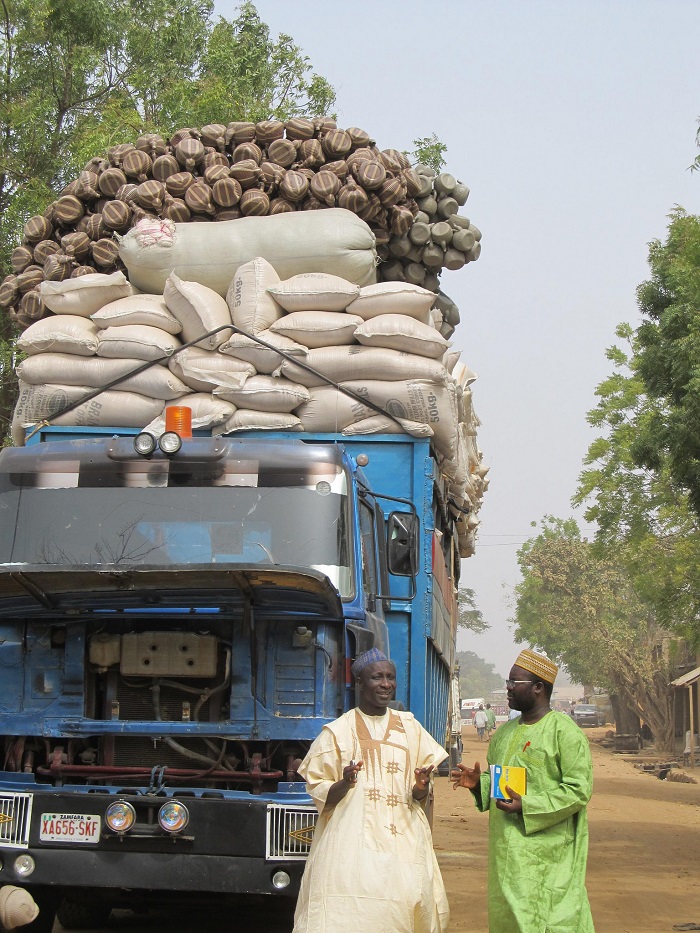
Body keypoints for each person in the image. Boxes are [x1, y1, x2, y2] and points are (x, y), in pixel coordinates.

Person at [293, 648, 450, 933]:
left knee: (402, 907)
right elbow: (319, 789)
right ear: (361, 683)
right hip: (349, 847)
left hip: (402, 842)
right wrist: (344, 782)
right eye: (377, 677)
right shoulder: (337, 732)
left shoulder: (411, 727)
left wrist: (420, 787)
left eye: (390, 677)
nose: (386, 684)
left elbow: (419, 795)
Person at [452, 649, 594, 932]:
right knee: (509, 918)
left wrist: (528, 805)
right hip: (507, 854)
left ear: (538, 688)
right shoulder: (504, 733)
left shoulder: (564, 732)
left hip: (548, 854)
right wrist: (479, 784)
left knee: (551, 919)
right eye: (508, 681)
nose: (507, 688)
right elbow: (502, 783)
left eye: (515, 682)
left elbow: (578, 790)